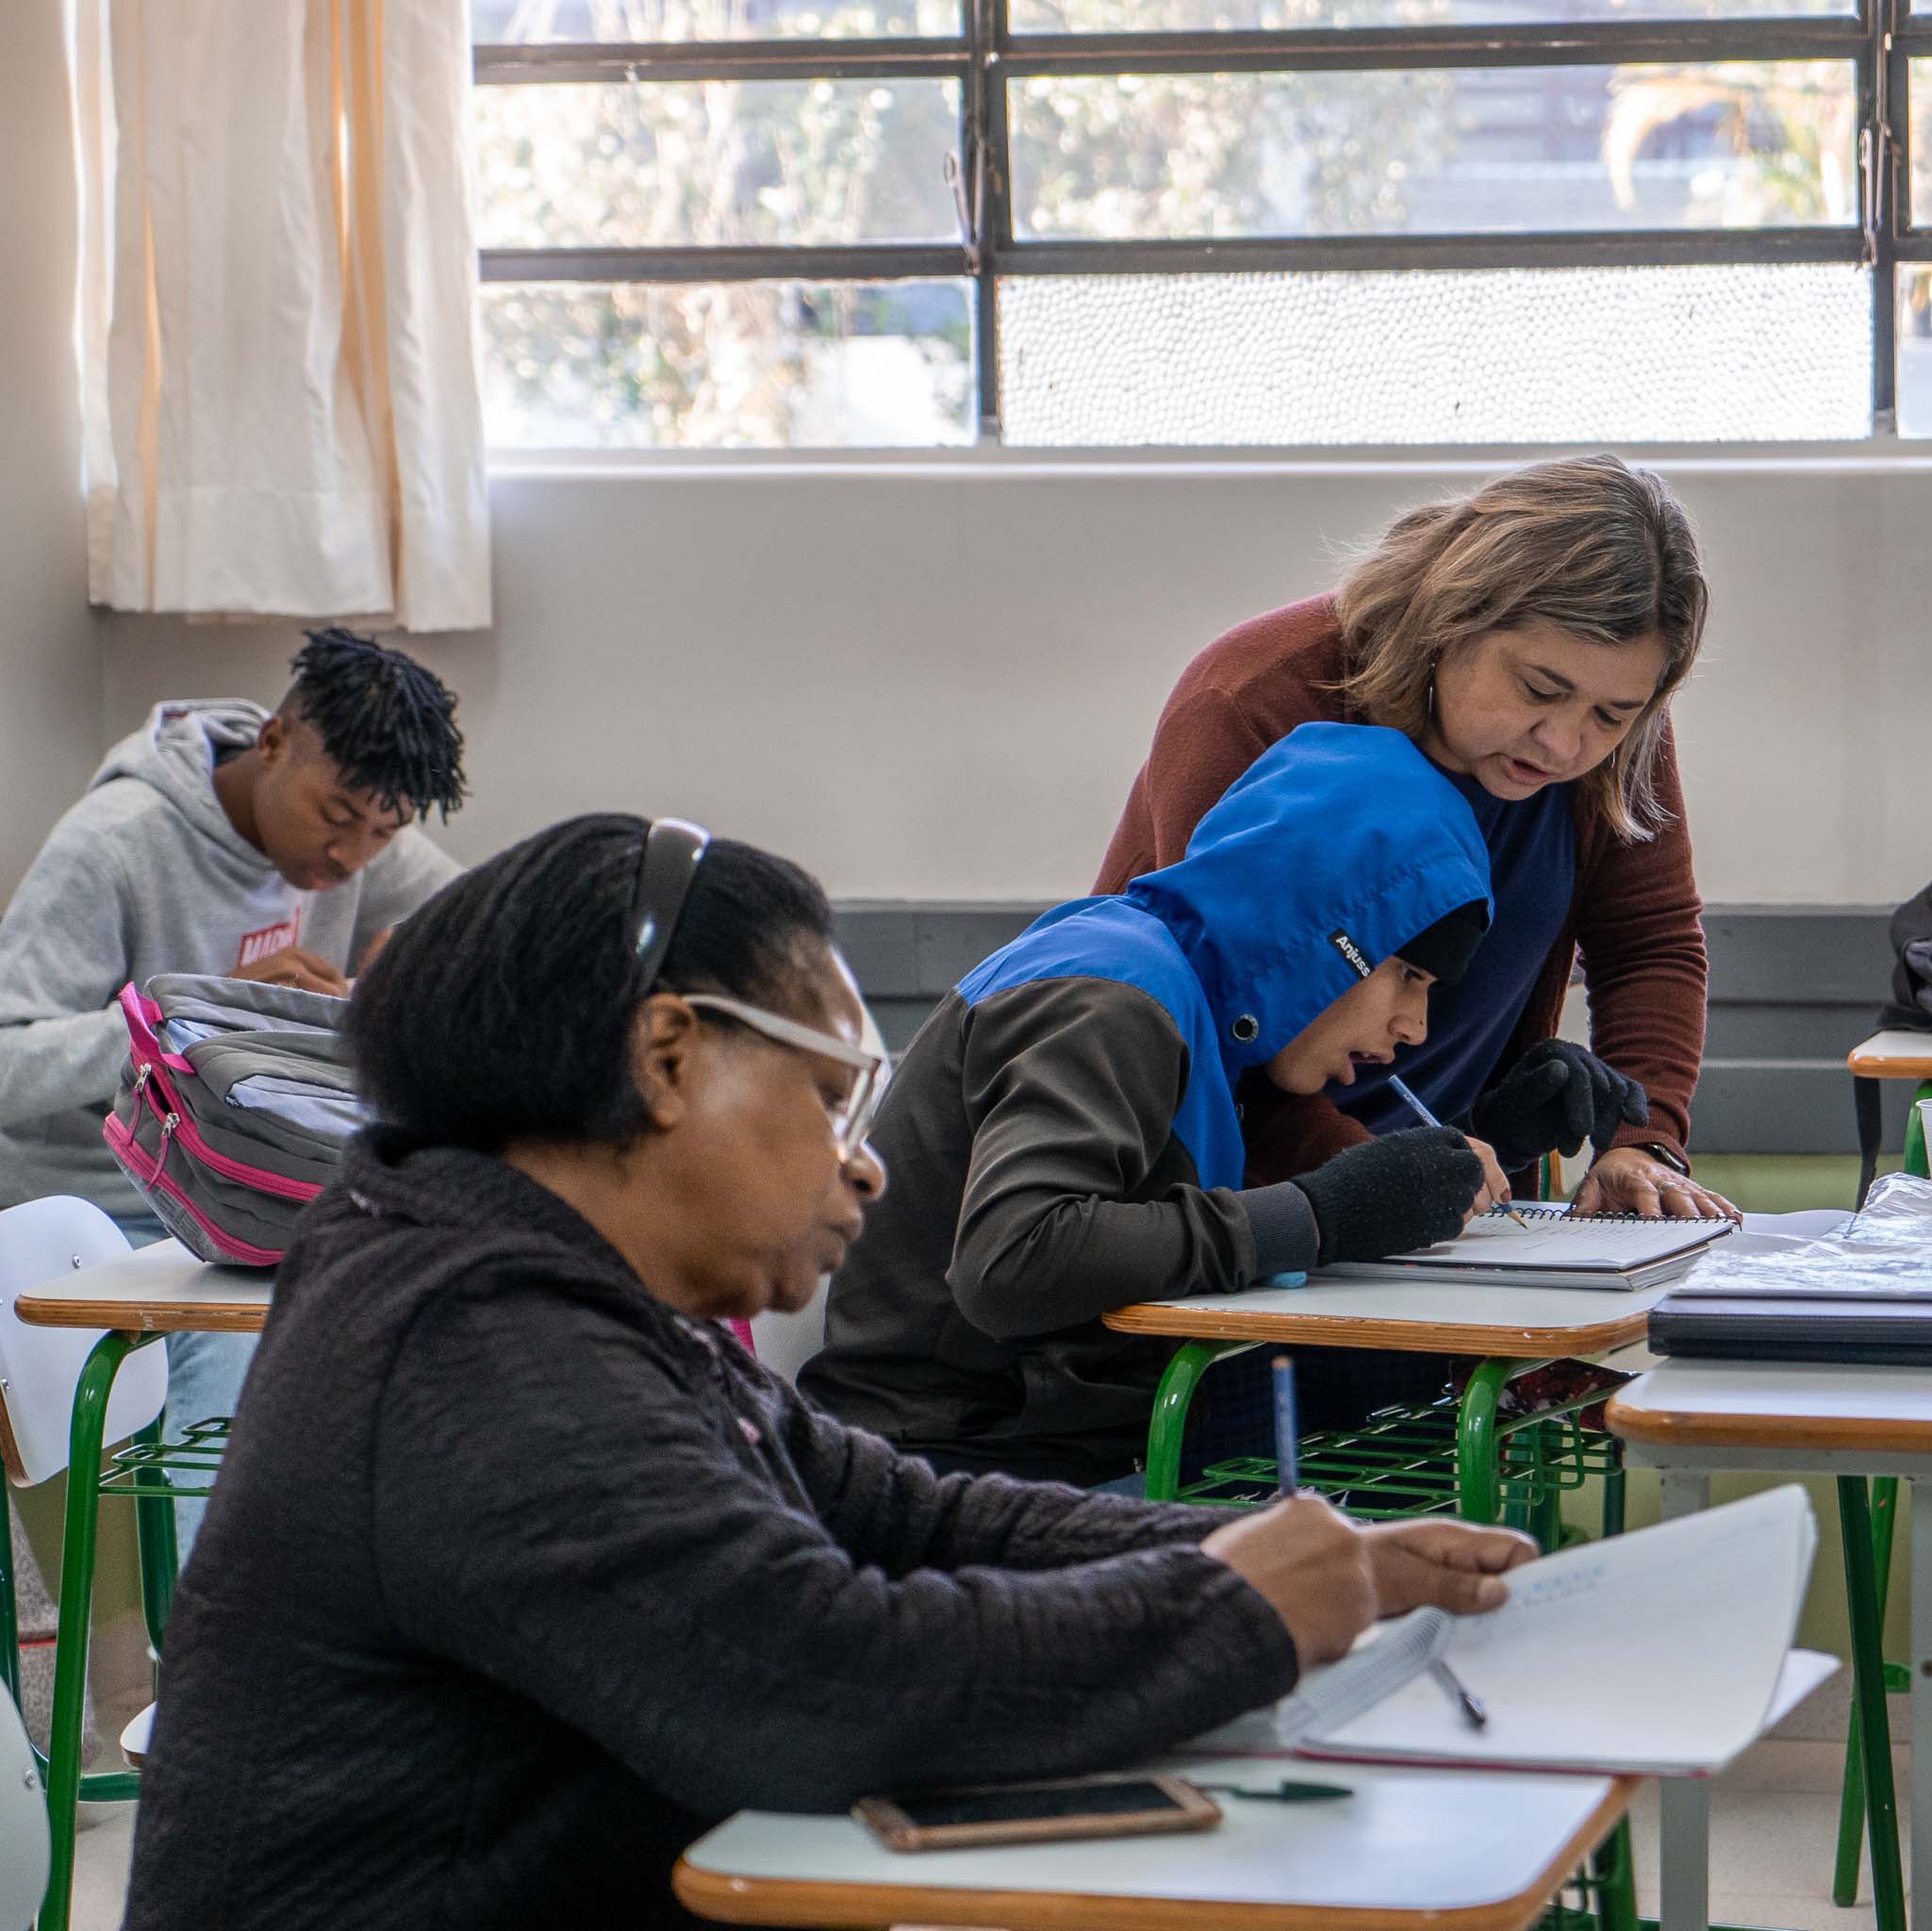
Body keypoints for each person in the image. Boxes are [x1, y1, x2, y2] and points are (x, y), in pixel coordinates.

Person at [120, 813, 1531, 1931]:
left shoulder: (556, 1284)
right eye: (832, 1098)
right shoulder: (474, 1346)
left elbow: (911, 1515)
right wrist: (1231, 1607)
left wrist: (1278, 1555)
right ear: (666, 1057)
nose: (866, 1165)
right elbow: (819, 1685)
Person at [803, 723, 1511, 1486]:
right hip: (952, 1468)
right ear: (1330, 934)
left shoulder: (1187, 1002)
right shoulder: (1113, 996)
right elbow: (1013, 1259)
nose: (1415, 1027)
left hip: (1047, 1443)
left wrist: (1497, 1137)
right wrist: (1318, 1216)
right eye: (1409, 976)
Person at [1098, 454, 1736, 1221]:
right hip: (1234, 1191)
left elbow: (1649, 943)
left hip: (1451, 1186)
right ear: (1451, 616)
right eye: (1539, 689)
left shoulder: (1616, 737)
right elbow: (1214, 1009)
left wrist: (1643, 1139)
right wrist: (1368, 1178)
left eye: (1612, 715)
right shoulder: (1250, 700)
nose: (1566, 743)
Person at [0, 627, 465, 1552]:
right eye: (336, 816)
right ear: (275, 741)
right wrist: (187, 1016)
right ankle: (222, 1614)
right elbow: (8, 1060)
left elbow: (487, 911)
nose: (352, 857)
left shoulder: (358, 838)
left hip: (260, 1187)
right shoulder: (115, 843)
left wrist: (417, 965)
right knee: (247, 1353)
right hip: (111, 1196)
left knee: (448, 1289)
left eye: (384, 833)